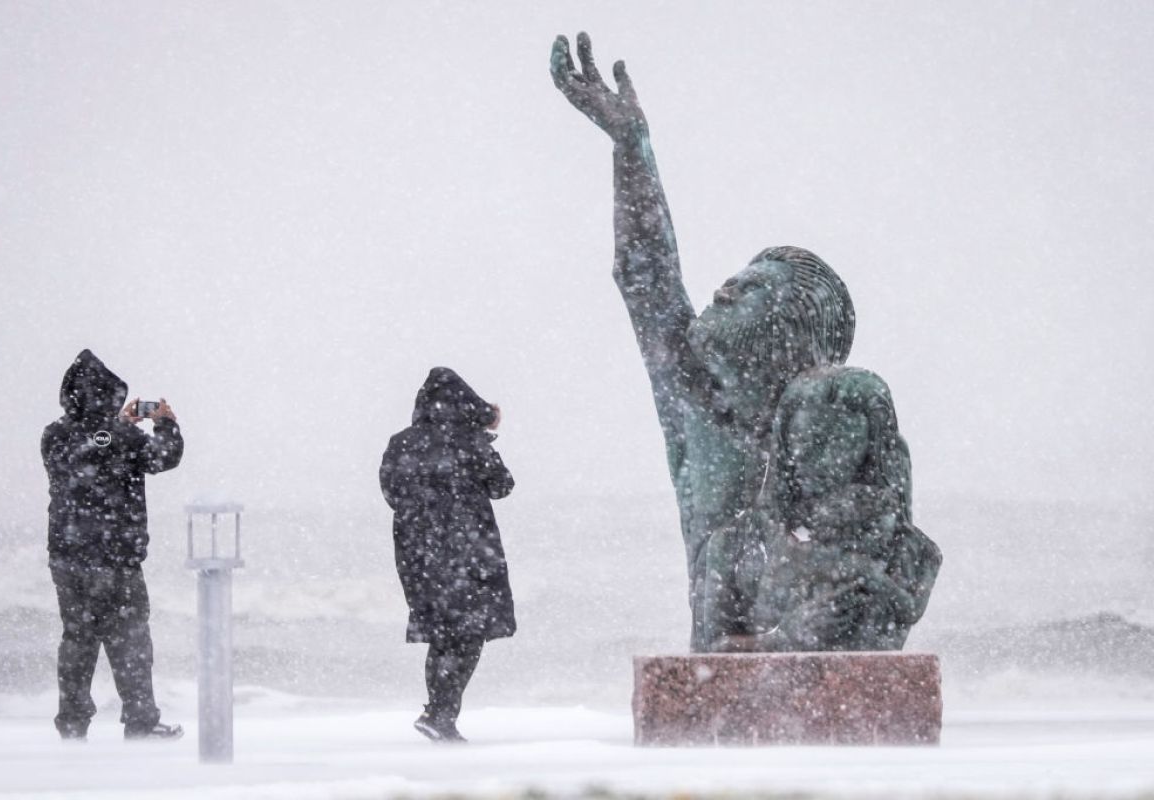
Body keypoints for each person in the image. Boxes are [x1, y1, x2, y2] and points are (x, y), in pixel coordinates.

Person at [549, 33, 940, 652]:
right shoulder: (696, 400)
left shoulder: (834, 406)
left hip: (825, 629)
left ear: (790, 329)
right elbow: (644, 272)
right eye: (736, 276)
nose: (726, 286)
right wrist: (631, 145)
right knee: (737, 555)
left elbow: (889, 519)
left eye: (754, 287)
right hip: (729, 650)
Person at [41, 349, 185, 740]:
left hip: (67, 557)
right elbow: (165, 457)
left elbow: (92, 450)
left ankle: (72, 726)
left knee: (77, 641)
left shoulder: (53, 434)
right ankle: (140, 722)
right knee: (130, 641)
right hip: (114, 557)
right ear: (110, 395)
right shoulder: (123, 438)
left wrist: (115, 426)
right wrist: (165, 422)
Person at [379, 367, 516, 743]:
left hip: (417, 554)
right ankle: (440, 714)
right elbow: (502, 486)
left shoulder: (400, 443)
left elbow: (391, 493)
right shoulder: (470, 442)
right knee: (468, 634)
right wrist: (485, 437)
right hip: (469, 552)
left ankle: (438, 713)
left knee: (444, 632)